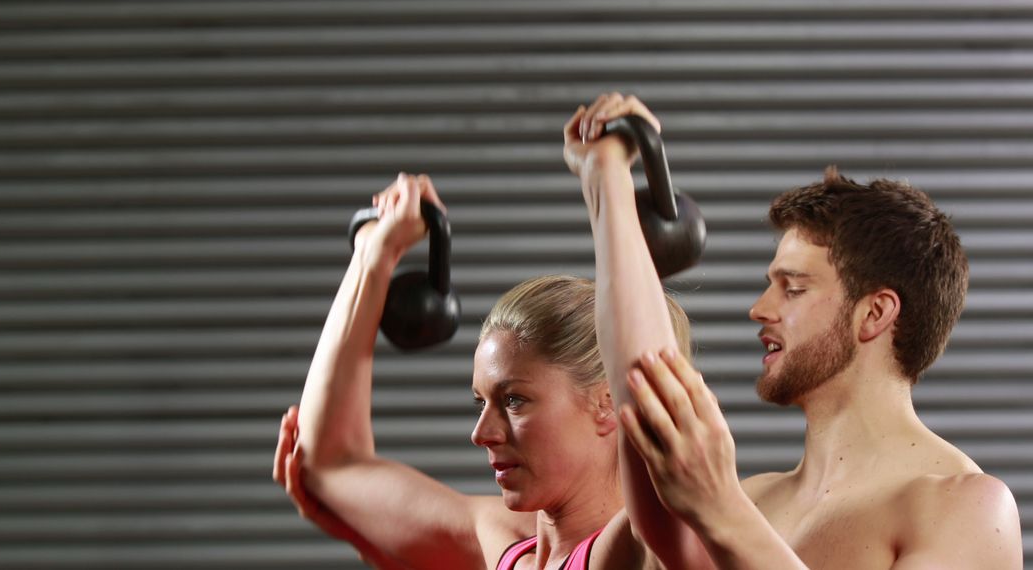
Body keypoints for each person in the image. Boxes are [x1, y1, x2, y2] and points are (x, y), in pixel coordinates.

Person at [566, 92, 1023, 569]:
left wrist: (722, 510)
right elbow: (649, 392)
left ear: (875, 313)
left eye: (794, 288)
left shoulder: (964, 507)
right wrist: (608, 182)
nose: (759, 309)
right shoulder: (755, 501)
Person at [273, 171, 702, 569]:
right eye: (481, 401)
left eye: (514, 400)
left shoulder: (641, 551)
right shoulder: (504, 544)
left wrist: (608, 179)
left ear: (610, 400)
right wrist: (374, 255)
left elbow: (647, 385)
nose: (481, 433)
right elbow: (329, 465)